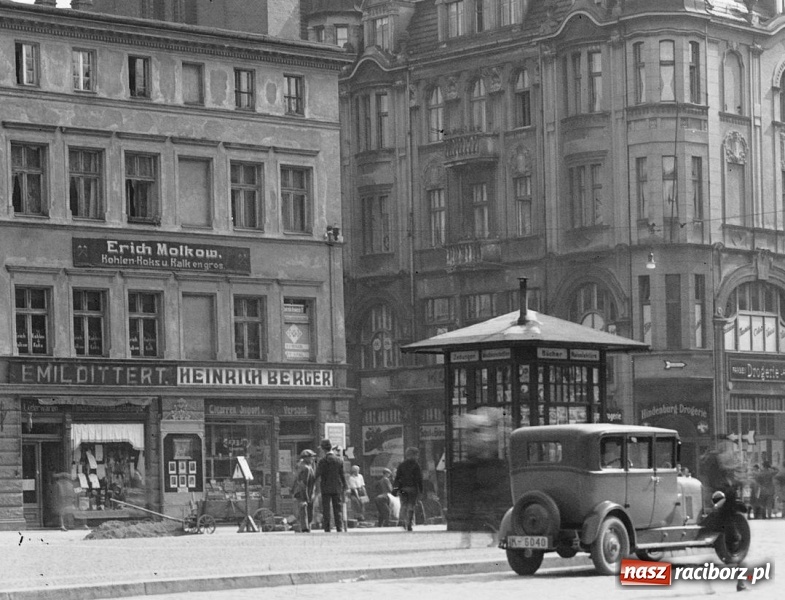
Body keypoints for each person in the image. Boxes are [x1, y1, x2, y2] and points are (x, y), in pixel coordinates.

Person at [314, 439, 347, 532]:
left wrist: (312, 483)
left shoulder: (322, 461)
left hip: (325, 487)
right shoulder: (339, 460)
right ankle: (339, 527)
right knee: (338, 508)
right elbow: (342, 475)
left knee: (326, 509)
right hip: (337, 487)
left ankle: (327, 528)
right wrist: (345, 486)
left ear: (324, 449)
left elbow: (317, 474)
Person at [394, 447, 423, 532]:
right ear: (413, 455)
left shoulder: (401, 465)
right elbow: (419, 479)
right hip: (413, 488)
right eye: (417, 455)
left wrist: (396, 488)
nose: (417, 457)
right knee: (411, 506)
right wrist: (421, 490)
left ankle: (402, 521)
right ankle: (409, 523)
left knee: (403, 505)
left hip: (403, 489)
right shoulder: (416, 465)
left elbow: (397, 478)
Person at [292, 449, 316, 532]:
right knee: (305, 510)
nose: (313, 458)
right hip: (304, 492)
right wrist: (306, 497)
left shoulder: (300, 465)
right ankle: (305, 528)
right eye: (311, 457)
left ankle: (303, 527)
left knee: (302, 511)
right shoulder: (306, 468)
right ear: (306, 458)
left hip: (301, 492)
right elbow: (303, 483)